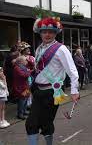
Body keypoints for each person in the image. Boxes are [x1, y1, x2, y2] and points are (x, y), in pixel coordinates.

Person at [26, 17, 80, 145]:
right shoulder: (39, 49)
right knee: (31, 124)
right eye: (44, 31)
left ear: (56, 33)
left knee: (46, 124)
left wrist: (74, 91)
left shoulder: (61, 49)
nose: (47, 34)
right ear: (40, 33)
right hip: (38, 91)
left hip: (52, 93)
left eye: (51, 31)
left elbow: (72, 71)